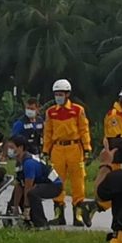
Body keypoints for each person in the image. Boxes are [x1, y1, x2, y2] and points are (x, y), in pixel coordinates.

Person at [86, 85, 122, 227]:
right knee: (118, 191)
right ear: (121, 99)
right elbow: (116, 140)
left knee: (121, 192)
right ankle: (96, 207)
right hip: (114, 157)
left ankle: (96, 208)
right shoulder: (114, 115)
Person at [44, 79, 92, 226]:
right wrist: (46, 151)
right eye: (56, 94)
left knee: (78, 181)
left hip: (74, 148)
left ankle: (77, 213)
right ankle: (59, 214)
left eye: (61, 94)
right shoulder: (51, 112)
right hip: (57, 148)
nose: (58, 96)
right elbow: (48, 132)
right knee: (57, 181)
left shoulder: (78, 110)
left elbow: (84, 130)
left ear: (68, 94)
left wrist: (87, 148)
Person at [11, 135, 63, 228]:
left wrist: (26, 206)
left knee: (32, 194)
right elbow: (19, 185)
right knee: (20, 193)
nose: (9, 151)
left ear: (20, 148)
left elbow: (28, 185)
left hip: (54, 185)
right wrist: (15, 206)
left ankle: (41, 223)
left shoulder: (28, 163)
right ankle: (27, 221)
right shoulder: (19, 163)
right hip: (42, 183)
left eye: (11, 147)